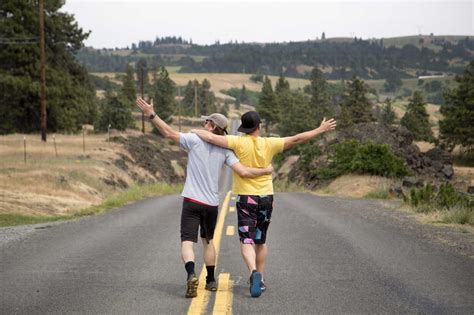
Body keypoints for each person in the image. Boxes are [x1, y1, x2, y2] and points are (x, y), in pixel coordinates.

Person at [136, 98, 273, 299]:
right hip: (211, 204)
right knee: (208, 241)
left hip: (191, 201)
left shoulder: (193, 140)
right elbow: (243, 172)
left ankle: (192, 274)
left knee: (187, 241)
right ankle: (210, 280)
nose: (203, 124)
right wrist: (266, 170)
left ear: (211, 126)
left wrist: (151, 114)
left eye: (206, 122)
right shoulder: (225, 150)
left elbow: (168, 132)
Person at [192, 111, 336, 297]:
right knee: (260, 241)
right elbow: (297, 139)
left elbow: (209, 137)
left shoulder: (237, 142)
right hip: (266, 197)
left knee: (246, 240)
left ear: (243, 127)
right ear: (259, 126)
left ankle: (253, 272)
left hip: (246, 197)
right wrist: (320, 129)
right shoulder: (270, 143)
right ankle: (261, 278)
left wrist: (195, 130)